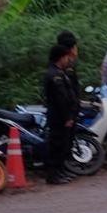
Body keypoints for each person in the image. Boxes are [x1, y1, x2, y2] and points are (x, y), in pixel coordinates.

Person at [43, 42, 80, 185]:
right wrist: (67, 117)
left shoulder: (60, 72)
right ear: (60, 57)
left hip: (63, 116)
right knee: (56, 145)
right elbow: (61, 98)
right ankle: (53, 175)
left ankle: (60, 171)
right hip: (59, 116)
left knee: (63, 145)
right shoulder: (54, 75)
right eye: (66, 57)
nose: (68, 60)